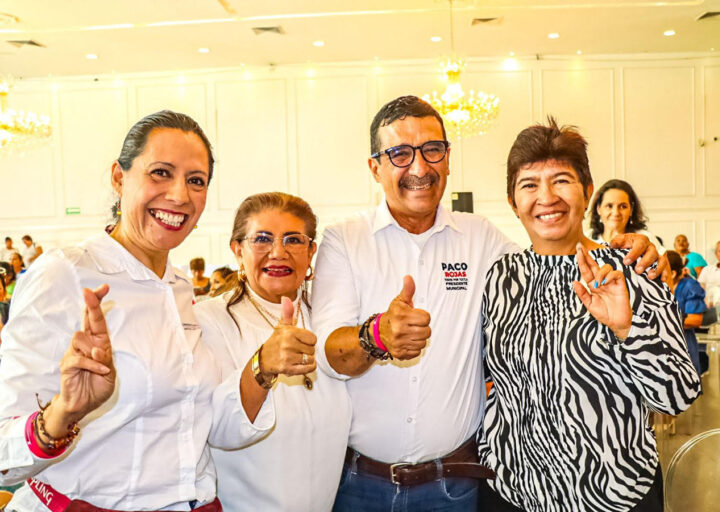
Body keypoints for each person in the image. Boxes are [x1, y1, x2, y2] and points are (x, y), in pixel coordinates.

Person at [311, 95, 666, 512]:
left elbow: (552, 254)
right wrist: (377, 335)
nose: (419, 168)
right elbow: (328, 356)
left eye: (432, 150)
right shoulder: (344, 239)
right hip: (361, 485)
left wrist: (628, 251)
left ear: (448, 158)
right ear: (375, 167)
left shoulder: (480, 238)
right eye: (400, 154)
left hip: (457, 484)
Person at [0, 110, 279, 511]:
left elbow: (193, 422)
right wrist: (63, 412)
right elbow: (4, 454)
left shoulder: (179, 287)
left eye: (196, 181)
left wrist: (263, 368)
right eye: (160, 173)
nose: (179, 195)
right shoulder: (65, 274)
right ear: (119, 177)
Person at [479, 118, 701, 512]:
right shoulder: (500, 276)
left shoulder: (633, 268)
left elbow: (677, 395)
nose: (546, 197)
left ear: (587, 192)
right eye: (529, 185)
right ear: (513, 203)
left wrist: (629, 330)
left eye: (561, 180)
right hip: (513, 492)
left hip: (614, 494)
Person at [195, 192, 351, 512]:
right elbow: (215, 428)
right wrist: (262, 366)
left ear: (311, 252)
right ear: (237, 250)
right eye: (262, 239)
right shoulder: (209, 320)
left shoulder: (330, 317)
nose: (278, 252)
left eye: (293, 240)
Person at [589, 179, 666, 253]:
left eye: (623, 206)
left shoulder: (647, 239)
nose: (616, 213)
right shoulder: (587, 238)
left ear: (631, 210)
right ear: (598, 209)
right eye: (609, 206)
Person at [665, 251, 707, 375]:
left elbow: (695, 320)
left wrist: (665, 322)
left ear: (672, 273)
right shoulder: (657, 288)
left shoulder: (690, 286)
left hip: (683, 342)